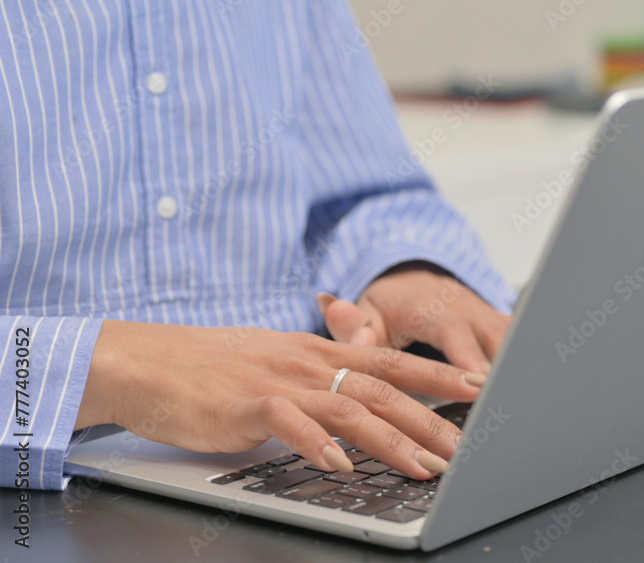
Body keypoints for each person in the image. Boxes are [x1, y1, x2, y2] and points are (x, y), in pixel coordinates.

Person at [0, 1, 513, 490]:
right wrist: (108, 368)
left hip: (308, 432)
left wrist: (399, 267)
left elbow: (365, 192)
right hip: (47, 467)